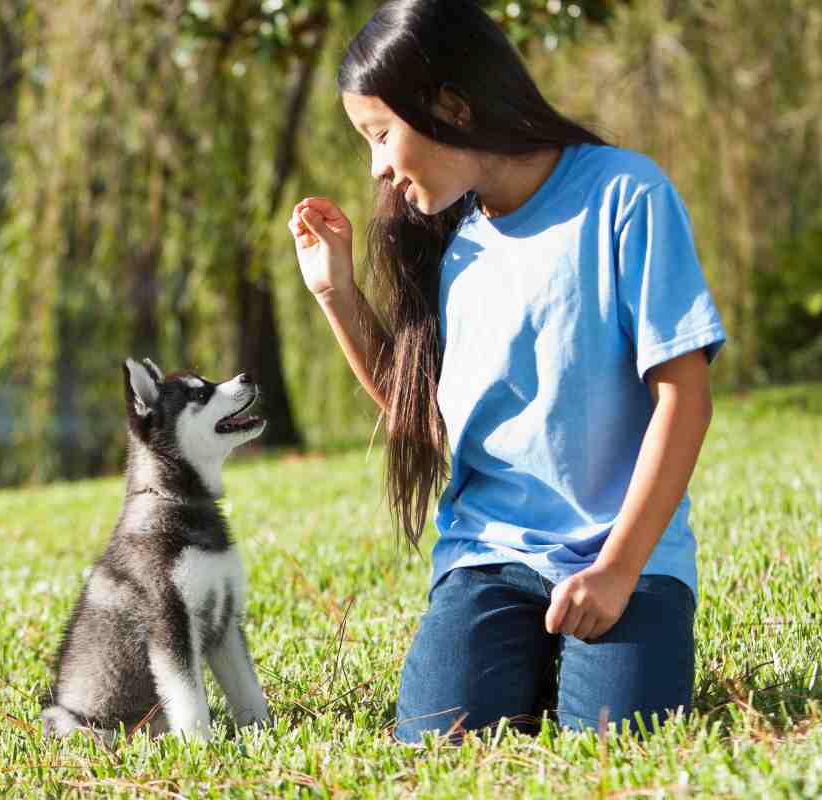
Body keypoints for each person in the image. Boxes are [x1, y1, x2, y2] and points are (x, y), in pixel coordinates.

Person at [288, 0, 726, 744]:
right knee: (436, 743)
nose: (377, 168)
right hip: (490, 558)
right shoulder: (450, 239)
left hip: (626, 555)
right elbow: (419, 418)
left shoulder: (626, 194)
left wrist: (617, 571)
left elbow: (684, 400)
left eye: (382, 134)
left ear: (453, 106)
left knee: (617, 748)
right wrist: (336, 292)